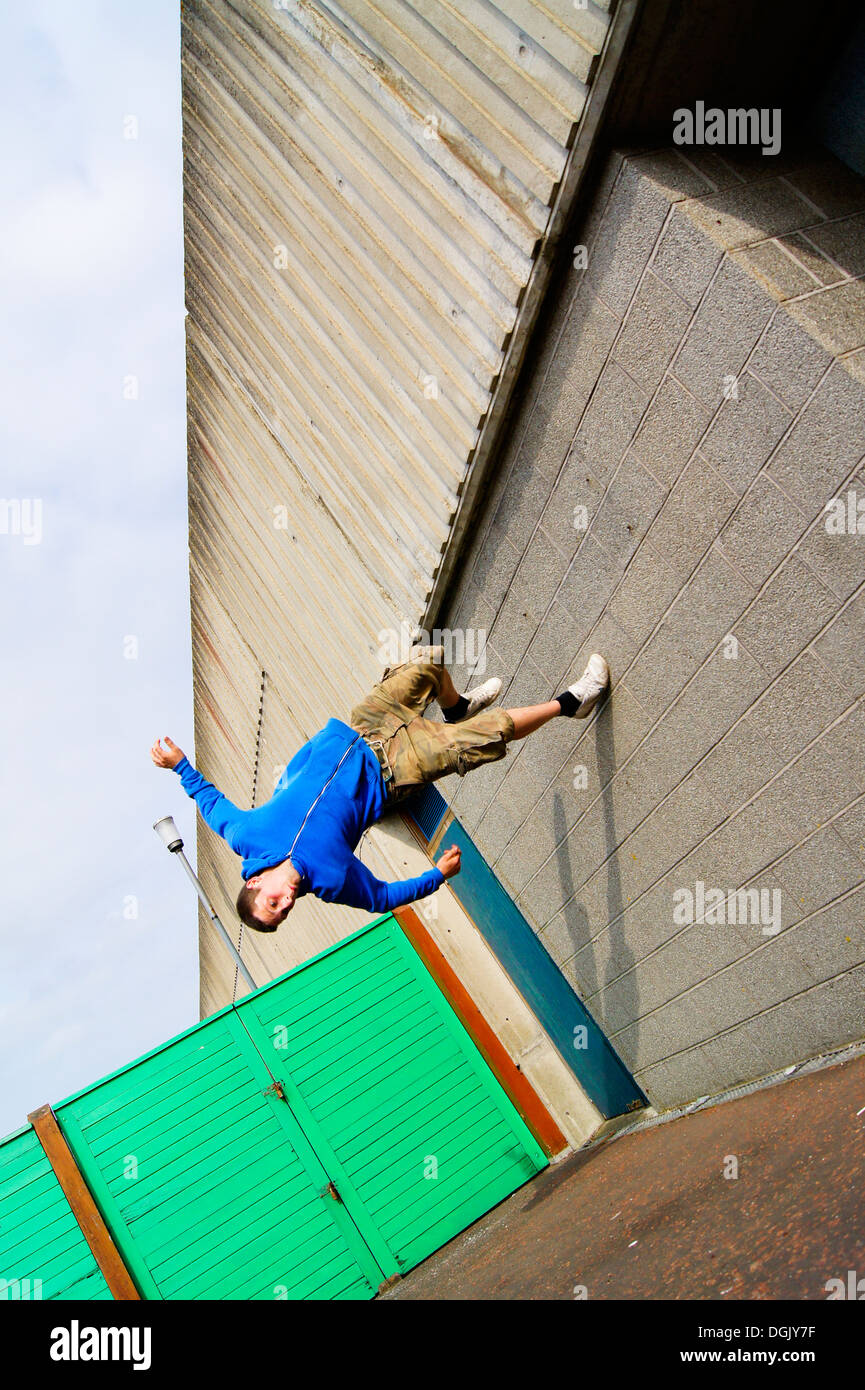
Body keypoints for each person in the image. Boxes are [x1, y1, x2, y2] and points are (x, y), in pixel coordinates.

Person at [150, 647, 609, 931]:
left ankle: (457, 704)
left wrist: (180, 766)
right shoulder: (331, 882)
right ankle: (573, 702)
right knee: (489, 734)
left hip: (360, 728)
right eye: (284, 912)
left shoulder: (246, 837)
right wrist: (439, 876)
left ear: (255, 881)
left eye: (274, 902)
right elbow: (383, 898)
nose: (287, 902)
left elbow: (209, 803)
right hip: (396, 767)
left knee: (428, 662)